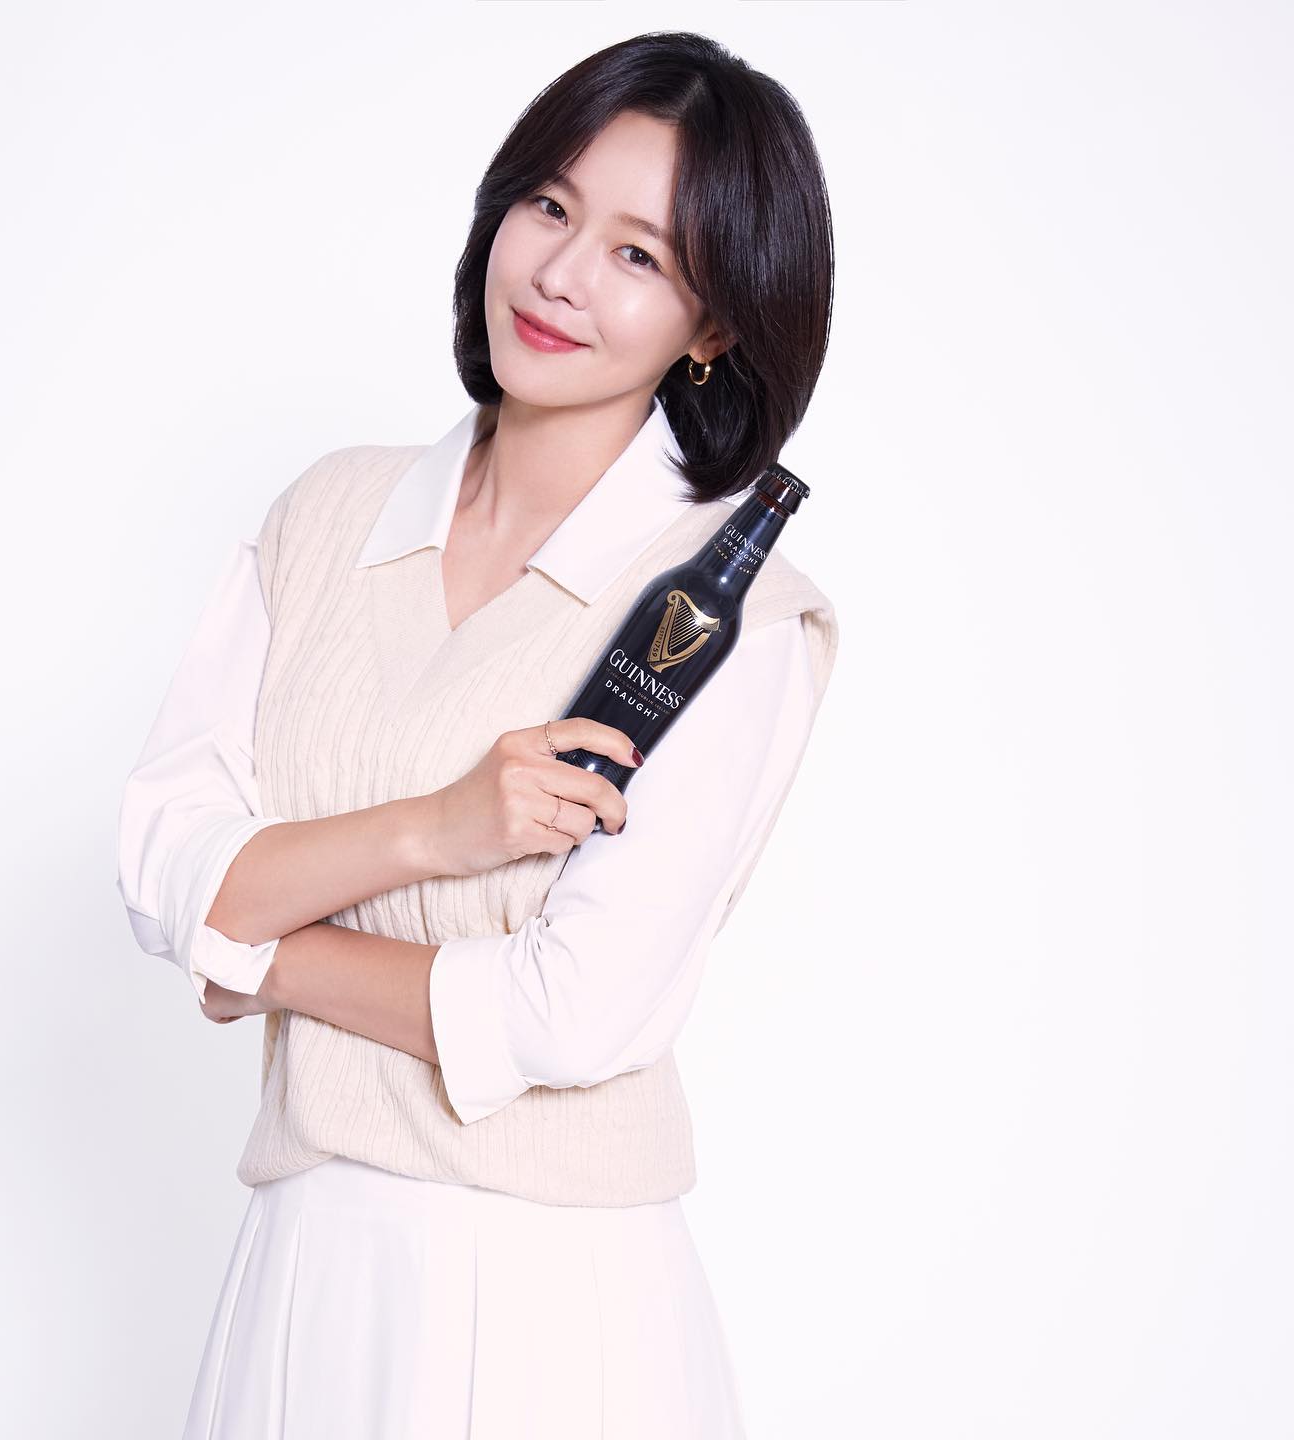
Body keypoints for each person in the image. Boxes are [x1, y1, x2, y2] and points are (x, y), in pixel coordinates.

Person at [116, 31, 839, 1440]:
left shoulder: (724, 614)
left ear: (712, 327)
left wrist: (260, 952)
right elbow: (160, 861)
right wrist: (434, 830)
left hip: (551, 1299)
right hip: (304, 1264)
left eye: (639, 255)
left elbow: (573, 1013)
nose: (561, 274)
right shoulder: (329, 516)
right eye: (549, 206)